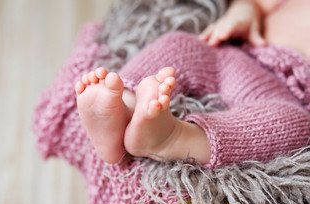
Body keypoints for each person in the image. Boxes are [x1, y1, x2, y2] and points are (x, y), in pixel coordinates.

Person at [75, 0, 310, 167]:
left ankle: (176, 138)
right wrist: (242, 14)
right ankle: (123, 107)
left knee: (295, 126)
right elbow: (254, 3)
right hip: (241, 55)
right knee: (180, 45)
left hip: (286, 95)